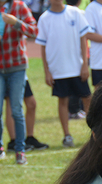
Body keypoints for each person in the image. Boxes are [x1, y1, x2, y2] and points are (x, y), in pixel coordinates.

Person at [0, 0, 37, 165]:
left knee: (16, 110)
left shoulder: (19, 7)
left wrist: (16, 22)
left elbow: (34, 31)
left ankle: (20, 150)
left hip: (17, 66)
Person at [36, 0, 90, 148]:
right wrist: (47, 71)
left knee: (87, 98)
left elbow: (83, 39)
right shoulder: (44, 18)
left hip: (77, 67)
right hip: (58, 69)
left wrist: (85, 63)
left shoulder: (75, 13)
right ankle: (67, 135)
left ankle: (95, 133)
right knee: (63, 101)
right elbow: (43, 46)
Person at [5, 76, 49, 152]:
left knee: (31, 104)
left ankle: (30, 138)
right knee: (11, 103)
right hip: (9, 73)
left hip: (21, 73)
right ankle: (13, 141)